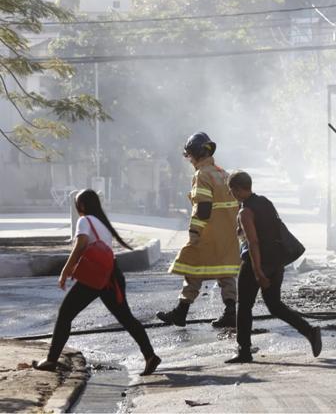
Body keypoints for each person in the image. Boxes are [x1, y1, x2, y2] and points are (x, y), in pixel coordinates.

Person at [33, 189, 160, 376]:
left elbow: (81, 244)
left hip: (94, 277)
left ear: (82, 205)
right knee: (126, 318)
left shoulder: (84, 221)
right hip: (111, 277)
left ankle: (51, 360)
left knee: (65, 314)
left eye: (77, 204)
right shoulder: (101, 223)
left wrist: (66, 270)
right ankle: (150, 356)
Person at [225, 170, 322, 363]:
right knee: (275, 306)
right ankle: (309, 331)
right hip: (276, 262)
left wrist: (257, 271)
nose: (231, 194)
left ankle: (244, 350)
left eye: (231, 190)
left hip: (256, 263)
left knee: (244, 306)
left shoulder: (246, 212)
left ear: (236, 190)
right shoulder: (265, 202)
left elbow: (253, 242)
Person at [157, 132, 241, 328]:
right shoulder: (223, 174)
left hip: (208, 232)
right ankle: (230, 311)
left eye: (189, 156)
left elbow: (202, 208)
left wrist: (194, 232)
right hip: (228, 234)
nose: (189, 160)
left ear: (194, 154)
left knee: (192, 268)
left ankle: (181, 311)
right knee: (226, 272)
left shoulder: (202, 175)